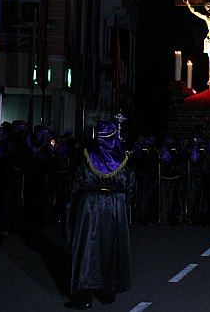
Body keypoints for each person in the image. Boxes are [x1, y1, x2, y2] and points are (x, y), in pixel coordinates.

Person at [65, 121, 135, 309]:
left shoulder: (87, 159)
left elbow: (75, 184)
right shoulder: (123, 162)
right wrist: (120, 203)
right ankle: (107, 292)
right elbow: (129, 187)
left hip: (91, 206)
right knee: (110, 247)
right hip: (114, 208)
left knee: (88, 248)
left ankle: (84, 295)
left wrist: (74, 207)